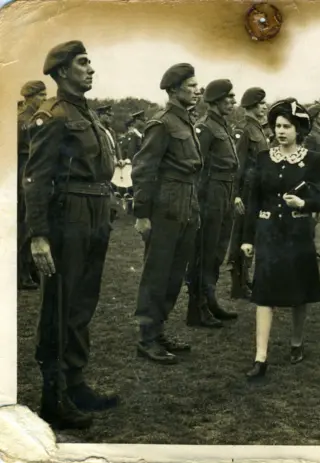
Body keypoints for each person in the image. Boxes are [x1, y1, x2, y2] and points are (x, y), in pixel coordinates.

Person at [23, 40, 118, 430]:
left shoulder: (86, 113)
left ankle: (76, 383)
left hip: (95, 213)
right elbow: (37, 179)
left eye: (90, 62)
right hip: (69, 217)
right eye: (82, 63)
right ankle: (53, 396)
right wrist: (39, 235)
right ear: (63, 72)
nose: (90, 68)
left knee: (82, 303)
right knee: (59, 306)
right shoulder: (54, 116)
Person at [241, 98, 320, 379]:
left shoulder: (313, 160)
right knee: (264, 295)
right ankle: (260, 357)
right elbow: (254, 200)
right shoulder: (264, 158)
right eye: (277, 126)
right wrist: (247, 238)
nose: (280, 131)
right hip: (269, 235)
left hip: (297, 235)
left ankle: (296, 342)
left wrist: (302, 204)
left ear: (298, 129)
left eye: (287, 126)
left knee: (298, 294)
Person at [131, 63, 202, 364]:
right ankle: (147, 338)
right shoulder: (161, 123)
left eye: (198, 85)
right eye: (191, 86)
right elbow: (144, 169)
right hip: (165, 209)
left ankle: (158, 330)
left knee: (174, 276)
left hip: (186, 207)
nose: (198, 90)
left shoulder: (185, 121)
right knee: (157, 274)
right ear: (173, 90)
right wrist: (142, 214)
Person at [185, 79, 239, 327]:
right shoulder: (205, 127)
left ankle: (210, 298)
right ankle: (197, 308)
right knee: (204, 252)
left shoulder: (223, 126)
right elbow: (198, 167)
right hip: (210, 196)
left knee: (217, 251)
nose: (232, 102)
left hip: (225, 193)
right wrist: (198, 202)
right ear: (216, 101)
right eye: (228, 98)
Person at [228, 87, 269, 300]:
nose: (265, 106)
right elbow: (238, 165)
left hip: (256, 189)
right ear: (253, 105)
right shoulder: (244, 130)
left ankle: (244, 279)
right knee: (241, 234)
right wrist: (235, 194)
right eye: (262, 103)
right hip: (245, 190)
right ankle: (238, 283)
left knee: (250, 233)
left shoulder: (258, 129)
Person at [18, 80, 47, 291]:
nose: (44, 100)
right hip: (24, 173)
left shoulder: (35, 119)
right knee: (24, 226)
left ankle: (29, 270)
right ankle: (21, 274)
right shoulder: (23, 120)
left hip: (32, 172)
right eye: (41, 96)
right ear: (29, 97)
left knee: (32, 223)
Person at [303, 104, 320, 259]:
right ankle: (307, 249)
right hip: (312, 180)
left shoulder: (318, 133)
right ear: (315, 117)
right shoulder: (311, 136)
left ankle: (311, 247)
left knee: (316, 215)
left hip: (319, 179)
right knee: (311, 215)